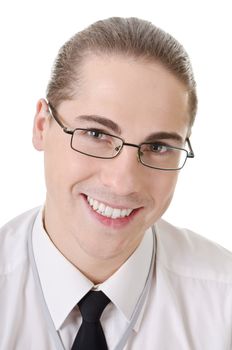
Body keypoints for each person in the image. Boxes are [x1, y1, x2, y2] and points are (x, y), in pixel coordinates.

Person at [0, 17, 231, 350]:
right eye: (96, 134)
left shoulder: (224, 305)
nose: (123, 183)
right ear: (41, 126)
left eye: (158, 147)